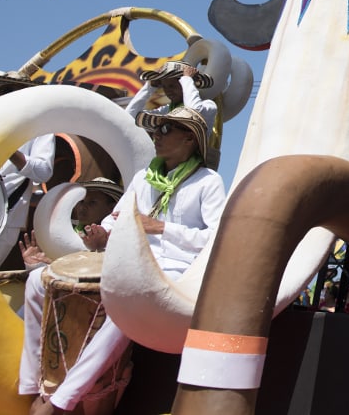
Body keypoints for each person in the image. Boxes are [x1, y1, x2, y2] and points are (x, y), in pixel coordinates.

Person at [18, 106, 226, 415]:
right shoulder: (145, 177)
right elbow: (119, 219)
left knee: (126, 302)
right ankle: (35, 384)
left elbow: (217, 238)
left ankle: (63, 399)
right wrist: (102, 234)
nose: (157, 135)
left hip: (174, 271)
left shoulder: (208, 182)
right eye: (156, 129)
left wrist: (163, 228)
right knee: (38, 280)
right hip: (129, 260)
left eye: (166, 130)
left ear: (189, 139)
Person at [0, 71, 57, 270]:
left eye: (13, 91)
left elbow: (44, 171)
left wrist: (10, 150)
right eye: (4, 91)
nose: (8, 96)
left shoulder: (41, 130)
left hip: (8, 216)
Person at [17, 177, 125, 270]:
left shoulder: (120, 234)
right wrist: (35, 264)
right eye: (81, 201)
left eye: (93, 202)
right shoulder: (70, 232)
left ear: (111, 208)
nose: (83, 207)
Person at [125, 60, 217, 131]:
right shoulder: (166, 111)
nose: (168, 91)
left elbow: (193, 112)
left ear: (185, 85)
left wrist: (187, 79)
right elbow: (128, 117)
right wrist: (150, 87)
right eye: (164, 86)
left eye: (172, 86)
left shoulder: (208, 106)